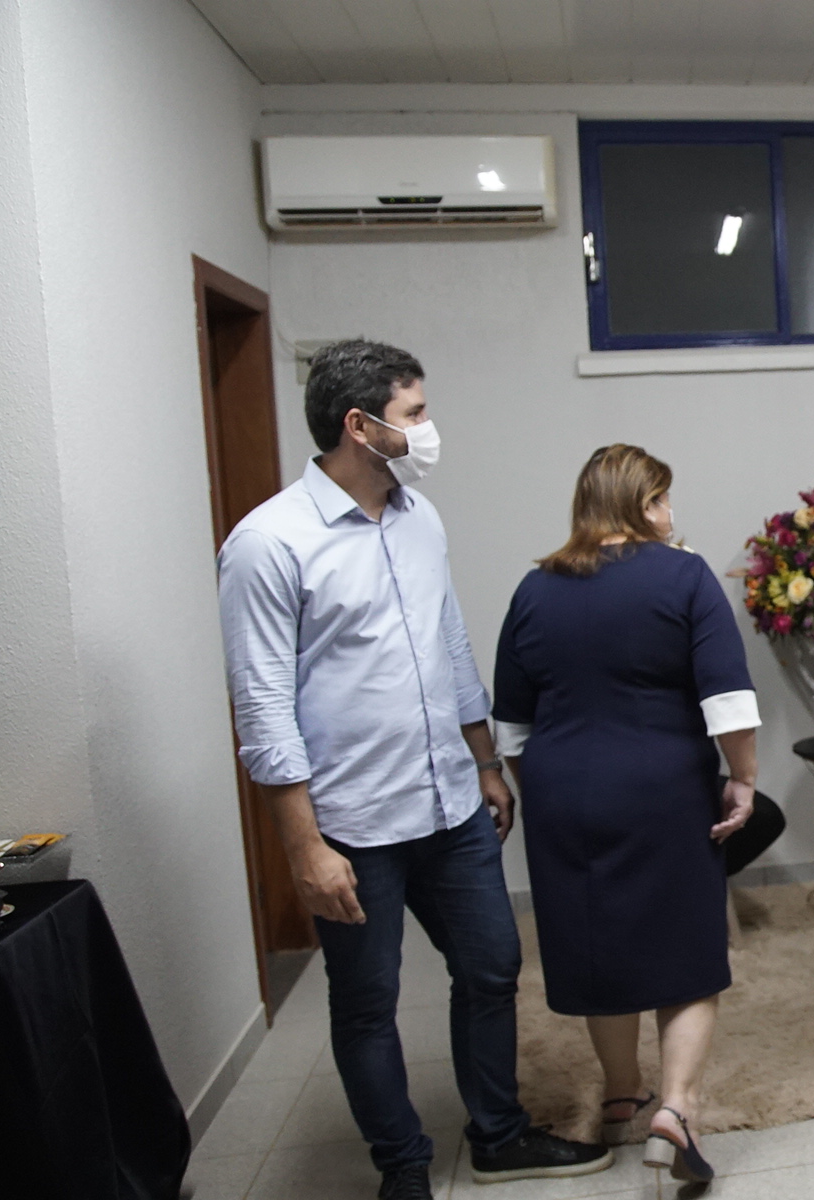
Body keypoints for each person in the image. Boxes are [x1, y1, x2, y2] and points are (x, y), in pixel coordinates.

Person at [217, 340, 608, 1200]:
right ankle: (402, 1167)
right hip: (352, 825)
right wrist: (304, 849)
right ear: (361, 426)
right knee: (368, 1003)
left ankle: (498, 1135)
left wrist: (485, 762)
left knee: (492, 968)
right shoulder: (269, 543)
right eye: (416, 413)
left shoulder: (418, 516)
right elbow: (263, 711)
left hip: (450, 805)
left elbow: (449, 645)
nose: (429, 429)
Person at [490, 445, 758, 1187]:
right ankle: (676, 1109)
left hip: (561, 792)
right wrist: (743, 779)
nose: (671, 514)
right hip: (663, 787)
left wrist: (547, 789)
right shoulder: (684, 575)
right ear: (644, 505)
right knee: (686, 952)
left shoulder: (534, 587)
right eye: (664, 499)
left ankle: (619, 1097)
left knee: (595, 945)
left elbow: (511, 723)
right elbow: (728, 699)